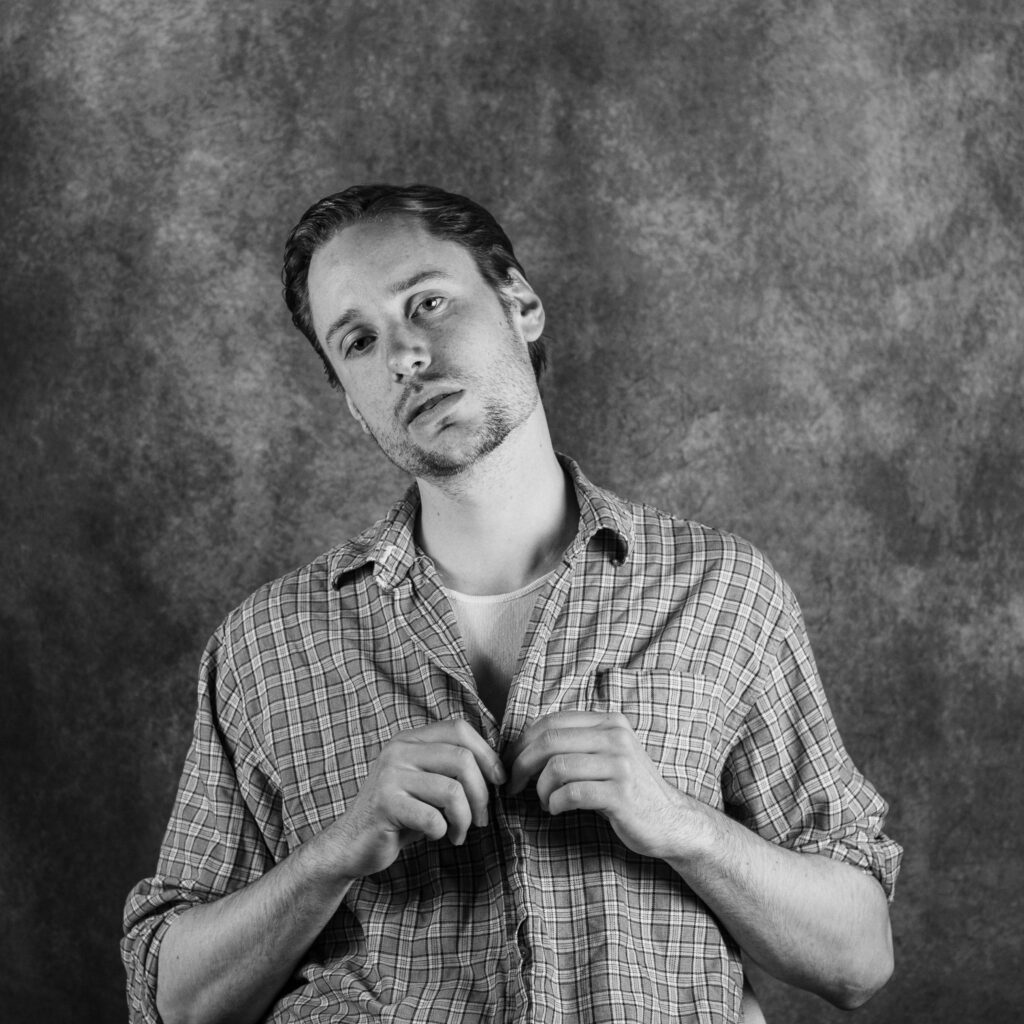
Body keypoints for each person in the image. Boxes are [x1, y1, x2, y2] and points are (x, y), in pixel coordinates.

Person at [122, 184, 902, 1024]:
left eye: (426, 302)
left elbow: (858, 961)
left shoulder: (721, 591)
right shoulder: (267, 643)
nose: (404, 355)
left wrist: (683, 825)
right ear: (350, 398)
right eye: (359, 341)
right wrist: (333, 855)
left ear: (520, 304)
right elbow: (173, 1003)